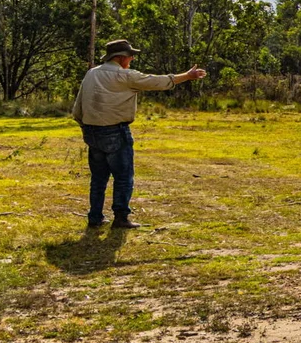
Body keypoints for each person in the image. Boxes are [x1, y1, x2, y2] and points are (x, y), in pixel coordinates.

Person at [70, 39, 206, 230]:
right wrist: (187, 75)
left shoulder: (91, 73)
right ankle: (121, 217)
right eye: (130, 55)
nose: (132, 59)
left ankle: (95, 217)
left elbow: (78, 107)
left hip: (92, 131)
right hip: (115, 131)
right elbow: (156, 81)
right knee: (123, 176)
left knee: (98, 178)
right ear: (121, 58)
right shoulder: (125, 76)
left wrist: (85, 128)